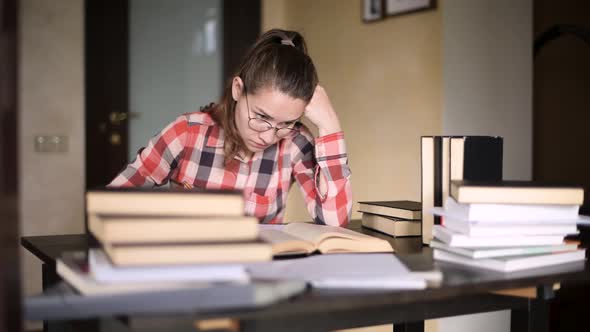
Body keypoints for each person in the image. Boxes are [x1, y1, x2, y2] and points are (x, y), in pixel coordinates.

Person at [109, 29, 351, 226]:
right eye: (260, 116)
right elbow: (113, 203)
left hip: (258, 274)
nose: (268, 136)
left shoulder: (295, 142)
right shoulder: (187, 132)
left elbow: (334, 223)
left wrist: (330, 126)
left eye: (285, 123)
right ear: (238, 89)